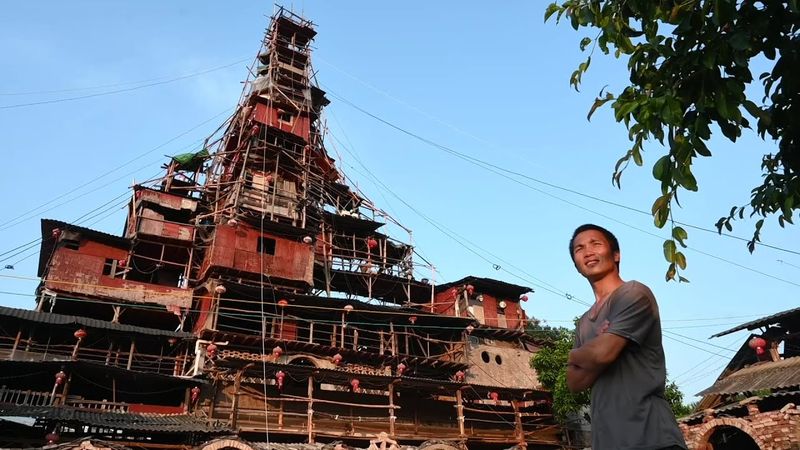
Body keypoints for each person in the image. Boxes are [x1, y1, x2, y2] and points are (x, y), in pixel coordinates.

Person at [566, 224, 687, 450]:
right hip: (608, 441)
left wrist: (577, 355)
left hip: (652, 436)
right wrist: (597, 349)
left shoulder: (633, 293)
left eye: (596, 244)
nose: (588, 251)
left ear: (616, 254)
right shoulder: (583, 322)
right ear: (576, 264)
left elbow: (602, 354)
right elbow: (574, 382)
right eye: (579, 249)